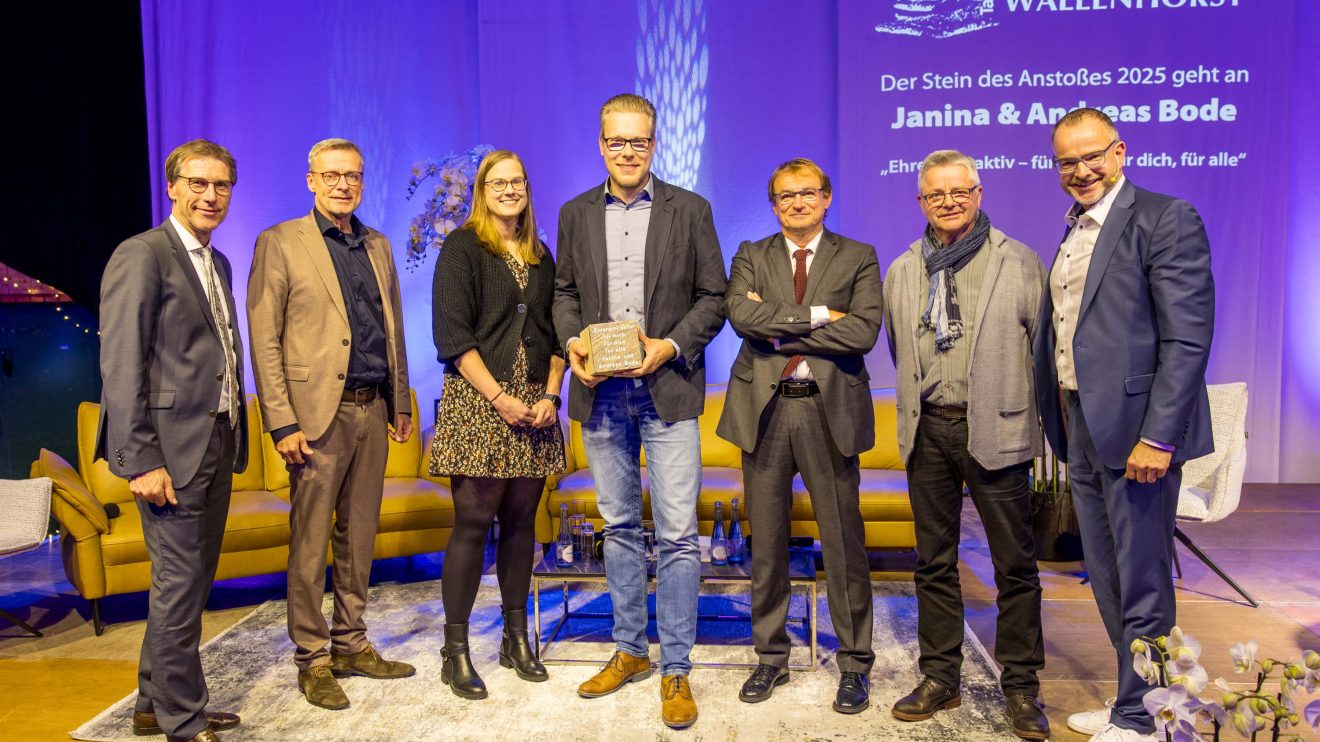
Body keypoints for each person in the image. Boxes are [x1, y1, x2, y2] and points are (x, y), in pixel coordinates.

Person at [1035, 108, 1214, 742]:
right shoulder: (1074, 229)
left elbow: (1186, 340)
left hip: (1140, 432)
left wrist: (1160, 437)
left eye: (1092, 156)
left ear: (1120, 151)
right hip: (1081, 422)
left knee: (1141, 579)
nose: (1080, 170)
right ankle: (1131, 702)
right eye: (1066, 162)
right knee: (1107, 574)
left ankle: (1152, 716)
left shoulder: (1165, 218)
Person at [552, 93, 727, 730]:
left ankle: (676, 666)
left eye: (640, 141)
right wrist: (573, 342)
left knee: (679, 533)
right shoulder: (574, 213)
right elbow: (564, 294)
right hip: (601, 393)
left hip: (670, 388)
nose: (628, 151)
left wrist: (670, 345)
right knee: (620, 527)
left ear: (654, 144)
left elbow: (715, 296)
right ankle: (630, 651)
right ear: (600, 145)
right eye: (617, 141)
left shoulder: (692, 209)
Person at [882, 150, 1050, 740]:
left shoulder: (1018, 261)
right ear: (921, 202)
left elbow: (1039, 351)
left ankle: (1023, 688)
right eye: (936, 194)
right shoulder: (904, 268)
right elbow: (904, 352)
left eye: (960, 191)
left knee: (1015, 565)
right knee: (934, 563)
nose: (948, 201)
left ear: (979, 193)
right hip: (929, 429)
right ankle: (941, 677)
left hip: (997, 428)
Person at [247, 138, 415, 711]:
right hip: (314, 416)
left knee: (360, 535)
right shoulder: (280, 242)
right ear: (311, 180)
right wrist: (280, 421)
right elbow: (264, 340)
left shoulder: (379, 244)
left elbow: (393, 328)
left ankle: (350, 641)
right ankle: (313, 658)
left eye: (354, 175)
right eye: (332, 175)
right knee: (311, 539)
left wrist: (402, 402)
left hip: (372, 407)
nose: (344, 184)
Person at [716, 158, 880, 714]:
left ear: (827, 197)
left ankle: (855, 664)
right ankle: (770, 657)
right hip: (764, 411)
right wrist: (820, 316)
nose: (797, 203)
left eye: (807, 193)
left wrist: (779, 325)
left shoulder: (858, 255)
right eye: (785, 196)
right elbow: (741, 317)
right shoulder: (750, 255)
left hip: (827, 410)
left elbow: (863, 330)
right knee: (767, 543)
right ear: (773, 204)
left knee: (843, 543)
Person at [96, 139, 246, 742]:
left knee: (187, 584)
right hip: (169, 451)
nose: (211, 195)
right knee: (179, 586)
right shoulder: (143, 254)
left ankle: (151, 704)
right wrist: (140, 459)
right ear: (173, 188)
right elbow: (122, 363)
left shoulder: (218, 260)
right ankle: (184, 721)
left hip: (216, 438)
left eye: (222, 186)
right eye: (199, 184)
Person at [430, 149, 566, 699]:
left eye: (518, 182)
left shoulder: (539, 253)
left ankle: (515, 638)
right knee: (472, 522)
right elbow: (451, 335)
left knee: (520, 524)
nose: (509, 190)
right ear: (481, 190)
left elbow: (557, 334)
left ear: (528, 189)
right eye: (498, 182)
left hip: (536, 405)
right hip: (478, 402)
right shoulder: (463, 247)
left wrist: (552, 394)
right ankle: (456, 651)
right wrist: (499, 398)